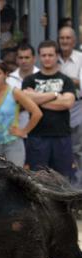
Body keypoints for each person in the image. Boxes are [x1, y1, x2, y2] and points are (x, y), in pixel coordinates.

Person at [22, 40, 76, 178]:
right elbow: (26, 101)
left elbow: (68, 103)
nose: (47, 58)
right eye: (44, 55)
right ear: (39, 57)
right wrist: (56, 96)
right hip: (37, 137)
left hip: (61, 136)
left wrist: (36, 98)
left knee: (63, 181)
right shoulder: (29, 80)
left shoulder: (66, 80)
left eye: (50, 55)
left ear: (57, 56)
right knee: (38, 181)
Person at [0, 62, 43, 167]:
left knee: (14, 178)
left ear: (5, 75)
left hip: (13, 143)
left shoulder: (14, 92)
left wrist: (23, 131)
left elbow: (37, 113)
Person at [57, 26, 82, 187]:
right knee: (60, 150)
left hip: (77, 108)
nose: (65, 41)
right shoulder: (52, 57)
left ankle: (78, 188)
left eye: (68, 38)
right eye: (62, 38)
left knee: (77, 150)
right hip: (55, 109)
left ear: (74, 40)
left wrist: (63, 79)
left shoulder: (80, 58)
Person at [6, 44, 40, 130]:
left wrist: (20, 102)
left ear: (34, 59)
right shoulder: (9, 80)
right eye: (21, 58)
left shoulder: (42, 76)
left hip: (39, 131)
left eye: (27, 57)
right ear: (17, 60)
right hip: (17, 130)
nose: (23, 61)